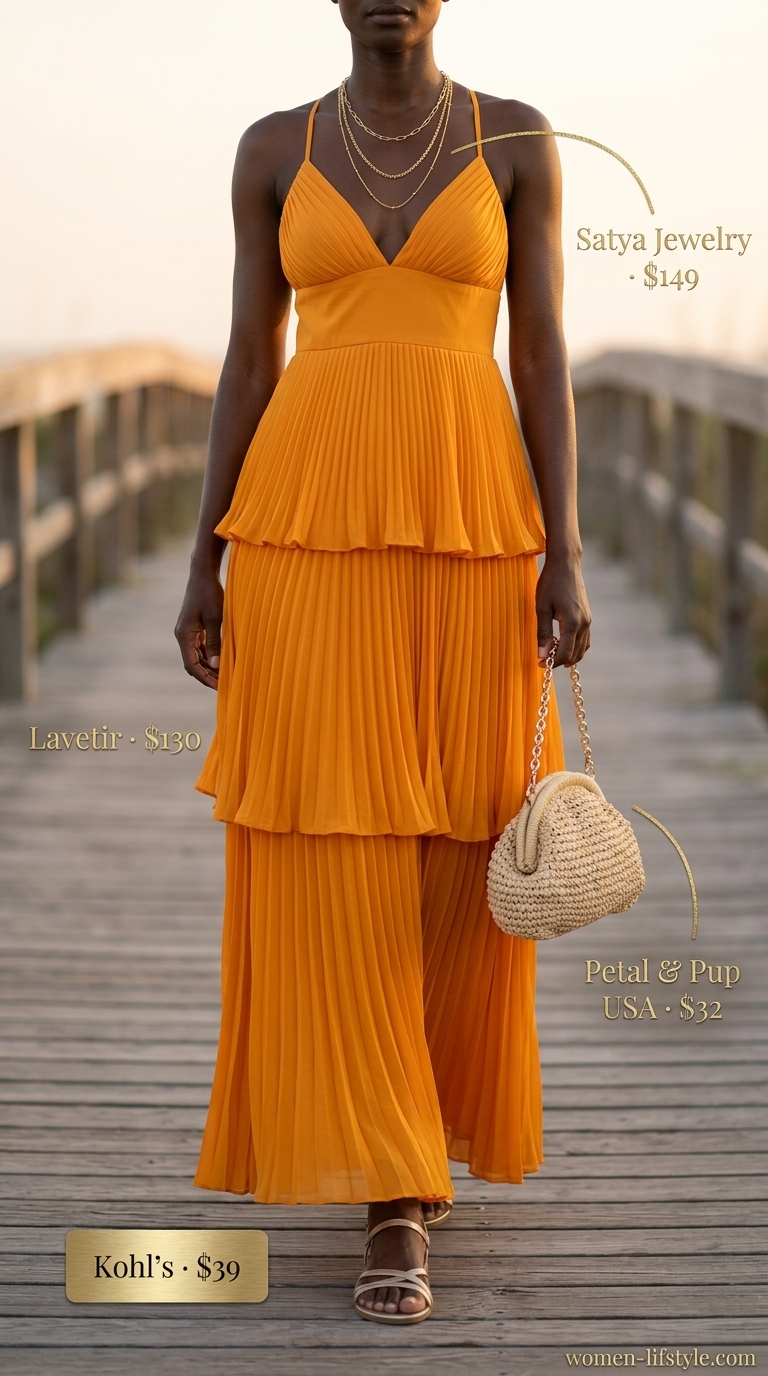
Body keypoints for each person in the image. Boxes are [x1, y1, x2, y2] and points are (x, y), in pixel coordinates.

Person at [175, 0, 591, 1326]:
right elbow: (251, 357)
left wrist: (567, 550)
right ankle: (393, 1192)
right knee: (337, 836)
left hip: (474, 527)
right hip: (305, 527)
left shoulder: (517, 139)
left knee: (466, 835)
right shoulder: (269, 148)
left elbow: (540, 353)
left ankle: (425, 1122)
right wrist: (203, 560)